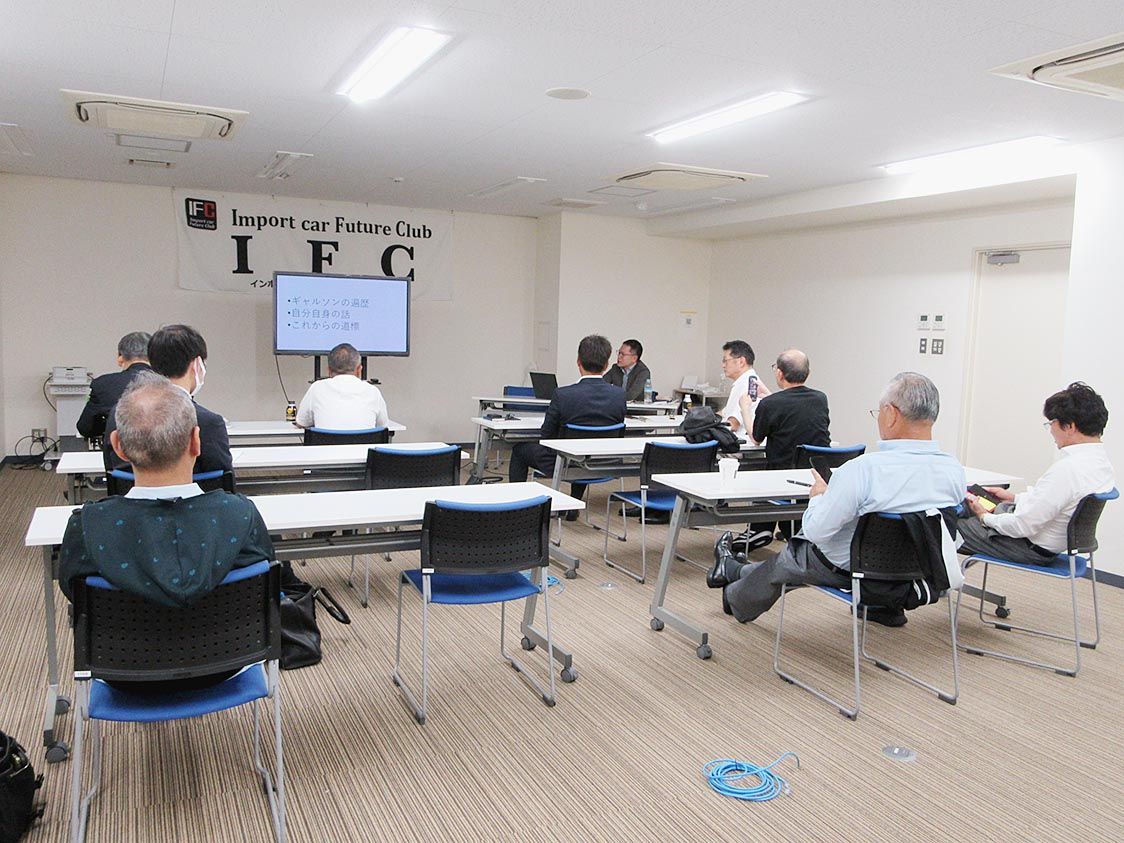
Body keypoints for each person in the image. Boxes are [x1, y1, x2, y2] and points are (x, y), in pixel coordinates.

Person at [708, 372, 965, 627]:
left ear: (891, 414)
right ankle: (734, 570)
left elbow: (816, 531)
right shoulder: (953, 470)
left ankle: (734, 596)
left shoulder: (863, 470)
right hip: (919, 570)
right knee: (801, 555)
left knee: (796, 554)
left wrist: (819, 497)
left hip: (853, 569)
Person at [61, 374, 273, 608]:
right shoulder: (242, 517)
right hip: (232, 632)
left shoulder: (87, 527)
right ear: (196, 442)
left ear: (118, 446)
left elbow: (75, 592)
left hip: (125, 632)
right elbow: (266, 586)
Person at [959, 382, 1115, 564]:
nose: (1051, 430)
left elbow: (1022, 526)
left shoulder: (1068, 470)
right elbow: (1055, 503)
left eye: (1052, 423)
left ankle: (938, 581)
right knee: (970, 506)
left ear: (1070, 427)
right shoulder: (1102, 465)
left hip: (1025, 546)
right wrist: (1014, 498)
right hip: (1046, 544)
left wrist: (985, 517)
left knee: (943, 527)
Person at [509, 335, 626, 518]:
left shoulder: (563, 394)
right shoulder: (619, 395)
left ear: (578, 361)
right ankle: (573, 505)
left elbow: (546, 435)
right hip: (603, 463)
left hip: (561, 463)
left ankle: (517, 509)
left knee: (519, 451)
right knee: (584, 447)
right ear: (606, 364)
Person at [102, 324, 232, 475]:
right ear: (197, 364)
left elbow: (112, 471)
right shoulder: (208, 422)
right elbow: (222, 482)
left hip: (132, 490)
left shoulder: (119, 414)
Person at [740, 348, 831, 539]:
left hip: (781, 476)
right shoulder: (820, 399)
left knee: (758, 474)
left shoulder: (771, 404)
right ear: (808, 373)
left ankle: (759, 530)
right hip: (814, 476)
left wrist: (745, 409)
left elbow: (756, 438)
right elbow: (791, 406)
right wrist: (770, 395)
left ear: (780, 373)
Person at [295, 342, 390, 431]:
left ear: (329, 370)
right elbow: (382, 426)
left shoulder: (317, 388)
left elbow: (301, 423)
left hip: (326, 444)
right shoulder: (373, 391)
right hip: (364, 444)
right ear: (359, 370)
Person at [75, 331, 152, 439]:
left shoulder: (103, 384)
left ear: (120, 358)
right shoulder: (167, 383)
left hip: (119, 447)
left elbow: (85, 428)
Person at [719, 340, 760, 439]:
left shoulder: (747, 384)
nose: (723, 365)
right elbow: (724, 413)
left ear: (741, 362)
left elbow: (733, 424)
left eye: (725, 361)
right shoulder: (745, 381)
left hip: (739, 444)